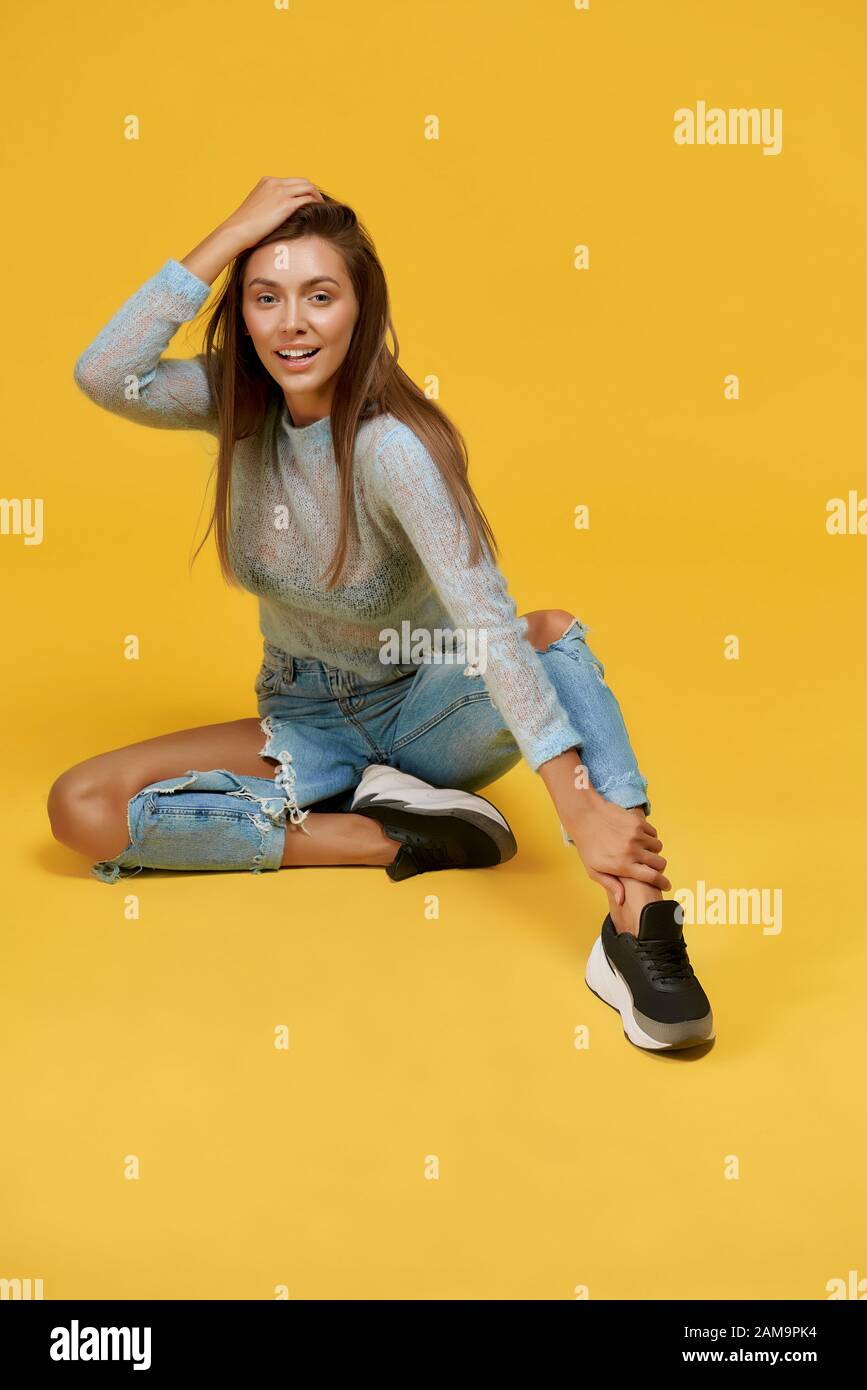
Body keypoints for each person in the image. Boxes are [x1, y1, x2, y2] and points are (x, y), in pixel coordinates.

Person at [47, 176, 713, 1051]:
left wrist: (580, 802)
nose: (293, 324)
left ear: (360, 309)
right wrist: (230, 232)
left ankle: (638, 923)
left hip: (431, 709)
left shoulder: (392, 450)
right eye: (265, 296)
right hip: (308, 716)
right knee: (82, 807)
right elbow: (103, 374)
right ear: (241, 314)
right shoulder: (238, 407)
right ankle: (386, 835)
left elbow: (488, 624)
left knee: (546, 635)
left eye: (319, 296)